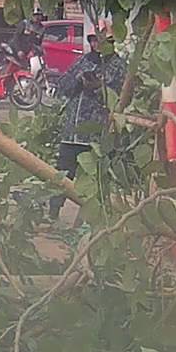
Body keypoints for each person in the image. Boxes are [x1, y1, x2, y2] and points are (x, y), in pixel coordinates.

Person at [48, 28, 127, 219]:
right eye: (93, 40)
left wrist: (98, 87)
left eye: (101, 41)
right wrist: (78, 80)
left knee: (94, 180)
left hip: (95, 135)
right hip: (72, 131)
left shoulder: (118, 66)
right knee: (62, 174)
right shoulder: (83, 61)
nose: (96, 44)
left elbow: (119, 97)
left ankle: (88, 220)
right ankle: (52, 213)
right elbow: (62, 87)